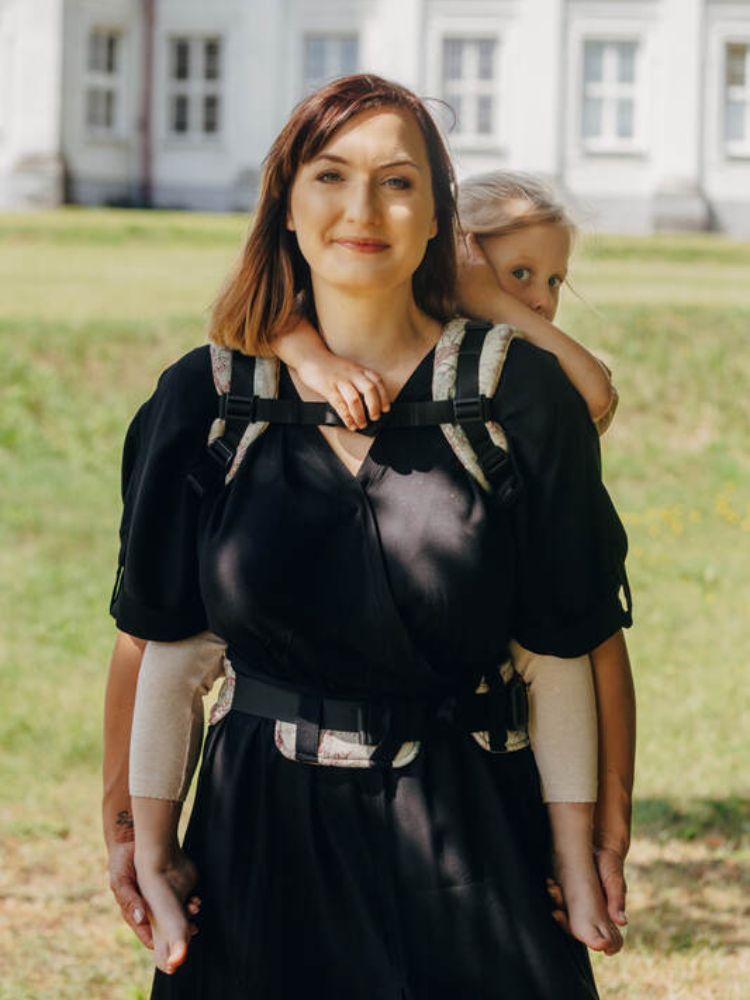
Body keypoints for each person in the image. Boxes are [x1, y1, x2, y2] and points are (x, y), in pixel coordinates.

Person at [103, 74, 633, 999]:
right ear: (286, 203)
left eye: (397, 181)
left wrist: (576, 849)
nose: (363, 209)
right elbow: (172, 648)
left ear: (437, 218)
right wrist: (148, 843)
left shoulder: (515, 399)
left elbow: (560, 650)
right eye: (329, 175)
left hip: (475, 843)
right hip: (257, 848)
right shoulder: (207, 400)